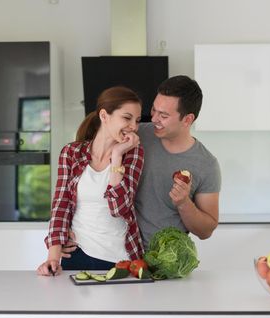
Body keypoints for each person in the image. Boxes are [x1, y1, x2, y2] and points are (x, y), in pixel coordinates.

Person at [37, 86, 144, 276]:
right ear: (104, 116)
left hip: (121, 259)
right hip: (78, 254)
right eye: (127, 118)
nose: (134, 127)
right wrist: (52, 258)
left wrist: (117, 156)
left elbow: (119, 208)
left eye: (137, 120)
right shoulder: (71, 153)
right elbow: (61, 205)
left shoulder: (133, 153)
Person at [135, 75, 221, 248]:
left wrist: (183, 203)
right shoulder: (137, 136)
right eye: (153, 109)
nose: (153, 119)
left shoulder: (206, 165)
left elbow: (206, 231)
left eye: (163, 115)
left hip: (167, 262)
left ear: (188, 119)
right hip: (120, 256)